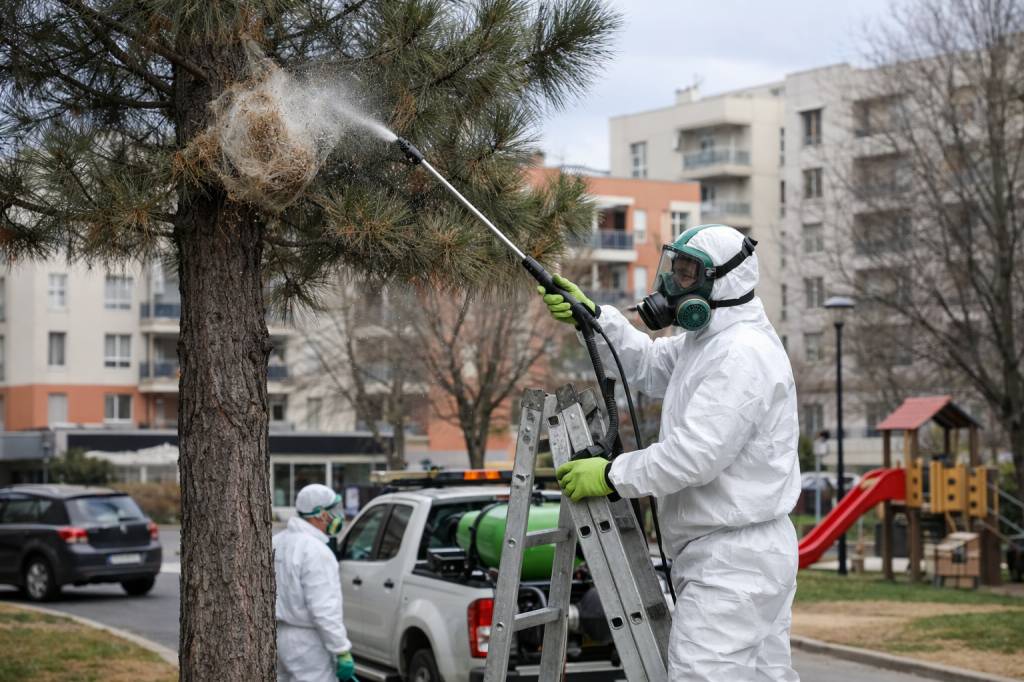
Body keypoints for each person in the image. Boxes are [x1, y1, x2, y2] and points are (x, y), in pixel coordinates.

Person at [541, 224, 801, 681]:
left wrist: (610, 475)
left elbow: (694, 456)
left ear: (722, 281)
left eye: (685, 275)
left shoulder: (739, 355)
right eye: (673, 269)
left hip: (732, 559)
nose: (670, 285)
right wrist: (595, 316)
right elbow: (644, 363)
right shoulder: (708, 343)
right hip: (736, 552)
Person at [274, 483, 357, 682]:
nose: (338, 516)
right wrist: (341, 650)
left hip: (276, 636)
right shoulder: (316, 551)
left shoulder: (277, 541)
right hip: (307, 643)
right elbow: (324, 609)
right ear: (319, 514)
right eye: (333, 511)